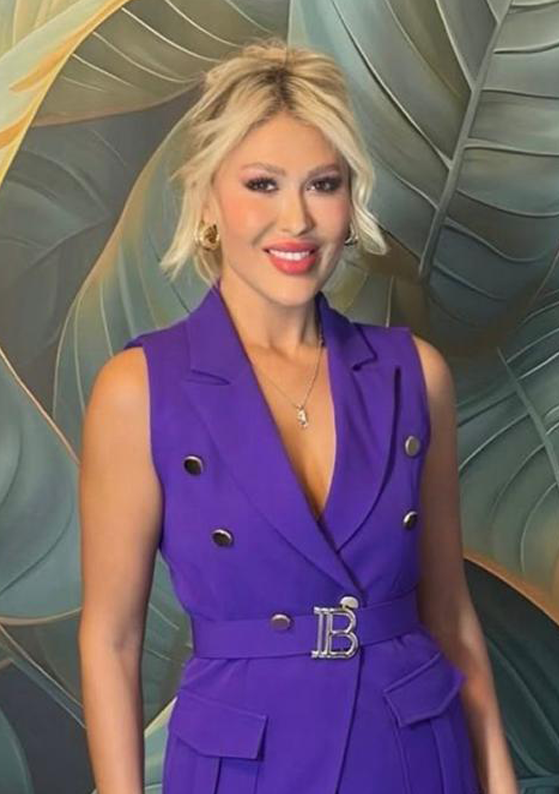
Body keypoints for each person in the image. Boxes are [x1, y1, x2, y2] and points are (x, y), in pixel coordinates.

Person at [78, 38, 518, 794]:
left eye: (323, 184)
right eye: (262, 184)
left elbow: (449, 614)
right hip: (243, 766)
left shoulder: (415, 375)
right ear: (208, 200)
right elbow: (112, 639)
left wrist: (500, 785)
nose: (297, 219)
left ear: (350, 201)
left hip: (411, 756)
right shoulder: (139, 389)